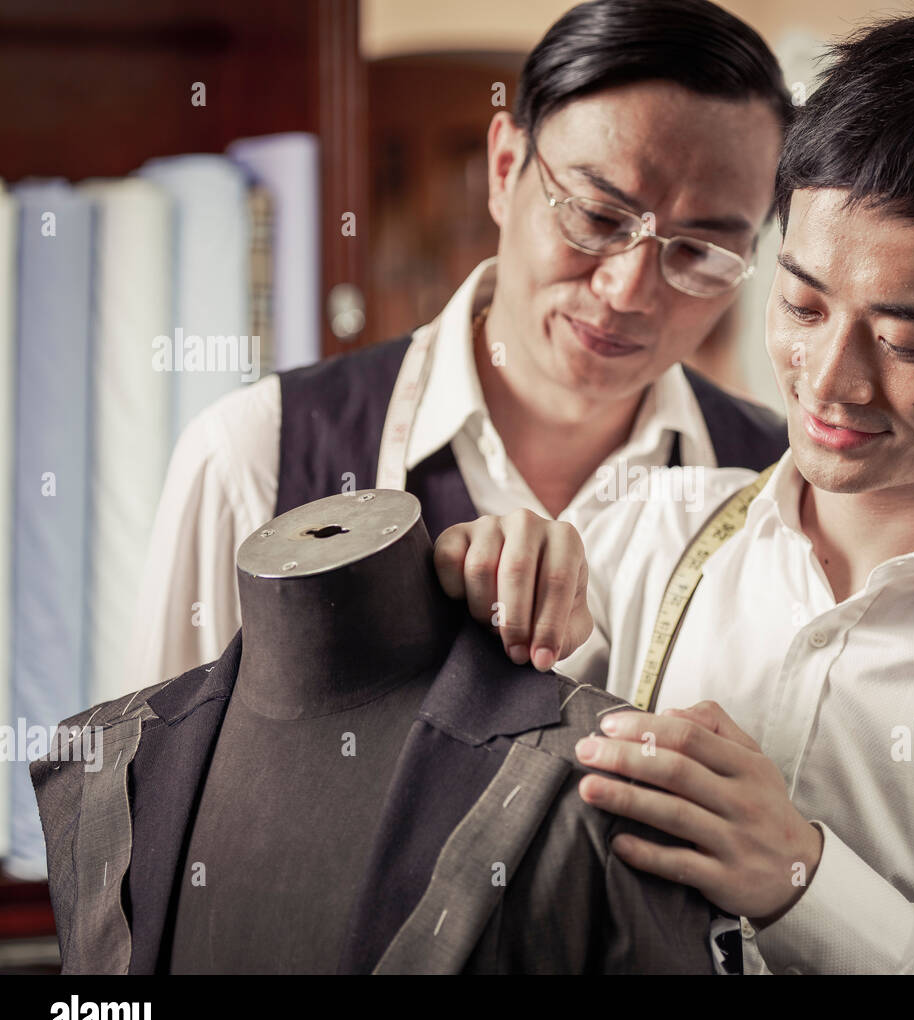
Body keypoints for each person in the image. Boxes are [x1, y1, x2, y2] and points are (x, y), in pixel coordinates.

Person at [433, 14, 914, 974]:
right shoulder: (634, 531)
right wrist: (474, 606)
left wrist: (806, 882)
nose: (828, 378)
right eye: (803, 303)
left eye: (906, 339)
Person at [126, 0, 790, 691]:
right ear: (504, 168)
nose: (628, 289)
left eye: (701, 251)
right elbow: (164, 790)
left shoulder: (783, 494)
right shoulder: (256, 456)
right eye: (597, 215)